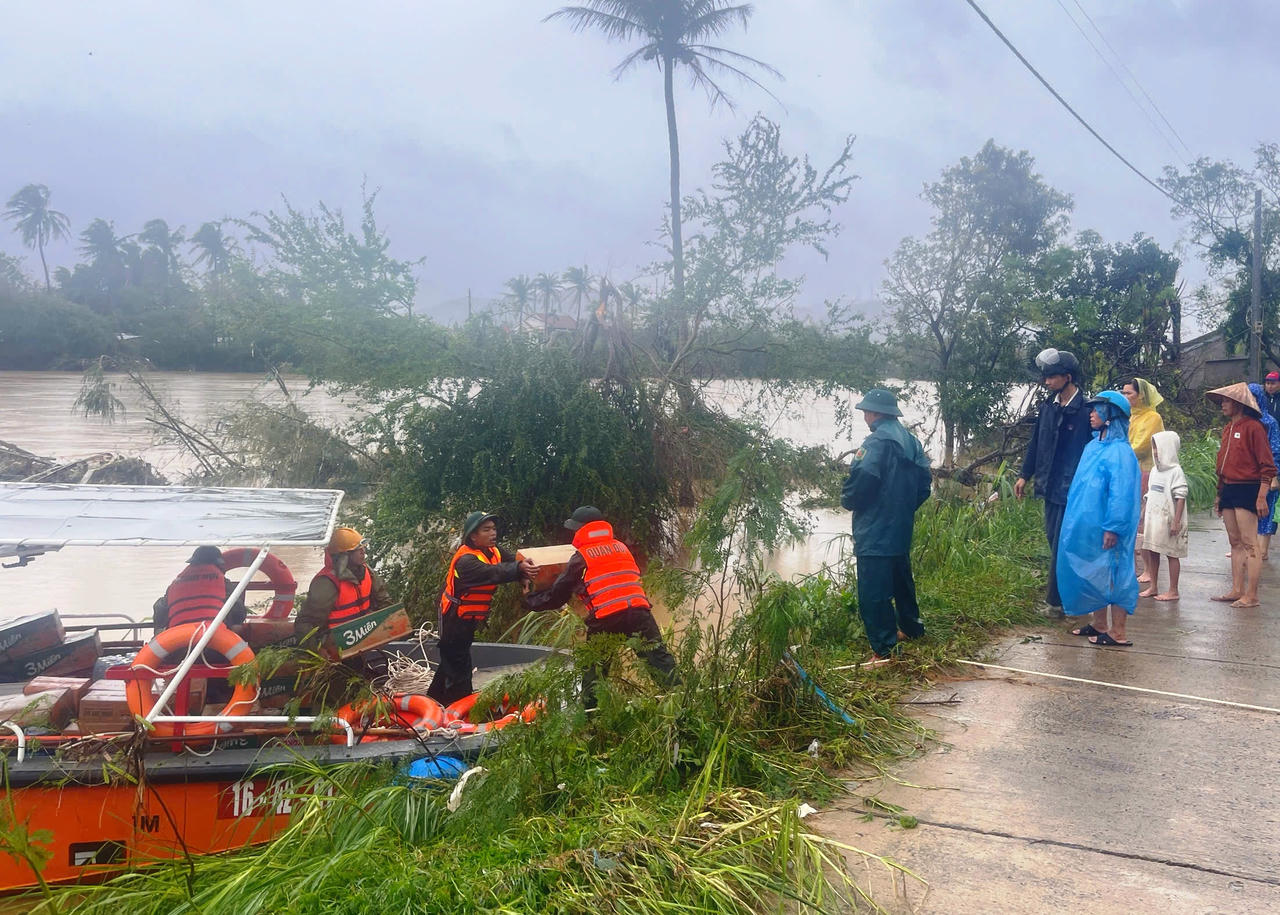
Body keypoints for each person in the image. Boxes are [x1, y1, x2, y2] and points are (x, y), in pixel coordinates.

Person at [524, 506, 678, 705]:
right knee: (660, 662)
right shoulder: (622, 548)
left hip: (607, 618)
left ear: (580, 530)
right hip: (640, 612)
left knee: (594, 674)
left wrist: (530, 599)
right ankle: (683, 704)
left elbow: (557, 596)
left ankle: (592, 723)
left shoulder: (581, 557)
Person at [839, 389, 932, 660]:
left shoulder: (875, 443)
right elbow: (924, 486)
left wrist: (848, 500)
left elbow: (861, 482)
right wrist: (902, 509)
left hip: (875, 529)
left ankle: (884, 650)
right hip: (900, 527)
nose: (865, 416)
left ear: (876, 413)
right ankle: (911, 628)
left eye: (866, 411)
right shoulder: (912, 442)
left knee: (874, 591)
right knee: (902, 580)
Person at [425, 512, 536, 706]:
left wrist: (523, 573)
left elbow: (512, 562)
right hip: (453, 616)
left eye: (494, 529)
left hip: (468, 617)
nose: (493, 533)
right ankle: (459, 704)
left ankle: (434, 699)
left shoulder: (493, 551)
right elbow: (492, 573)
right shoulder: (466, 561)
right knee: (458, 663)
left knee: (453, 659)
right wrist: (518, 569)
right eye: (486, 530)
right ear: (473, 536)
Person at [1059, 391, 1141, 647]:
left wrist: (1114, 526)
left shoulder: (1120, 453)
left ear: (1110, 414)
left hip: (1109, 525)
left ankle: (1118, 632)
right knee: (1096, 570)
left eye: (1097, 410)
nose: (1091, 414)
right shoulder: (1093, 446)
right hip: (1089, 524)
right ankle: (1099, 623)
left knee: (1115, 572)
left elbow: (1122, 493)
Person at [1014, 348, 1093, 615]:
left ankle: (1055, 603)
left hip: (1073, 489)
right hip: (1049, 487)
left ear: (1067, 377)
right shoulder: (1048, 407)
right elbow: (1036, 443)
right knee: (1053, 540)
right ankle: (1073, 592)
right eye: (1045, 377)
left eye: (1051, 377)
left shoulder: (1086, 412)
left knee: (1062, 544)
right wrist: (1025, 475)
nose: (1046, 382)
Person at [1207, 383, 1277, 608]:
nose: (1223, 405)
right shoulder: (1228, 428)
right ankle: (1237, 589)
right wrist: (1219, 494)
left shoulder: (1254, 427)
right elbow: (1222, 463)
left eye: (1226, 401)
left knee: (1249, 543)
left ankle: (1252, 595)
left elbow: (1267, 465)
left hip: (1248, 488)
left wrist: (1261, 495)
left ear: (1238, 403)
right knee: (1234, 541)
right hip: (1228, 487)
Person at [295, 526, 392, 652]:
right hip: (338, 645)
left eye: (363, 548)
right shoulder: (327, 582)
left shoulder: (367, 571)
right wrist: (317, 652)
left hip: (366, 635)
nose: (363, 552)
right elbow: (305, 623)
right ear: (344, 556)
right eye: (357, 549)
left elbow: (385, 603)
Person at [1122, 377, 1165, 583]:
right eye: (1123, 393)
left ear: (1141, 395)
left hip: (1146, 472)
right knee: (1129, 517)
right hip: (1128, 471)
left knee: (1144, 520)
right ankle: (1132, 564)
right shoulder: (1128, 416)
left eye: (1129, 393)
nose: (1126, 397)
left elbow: (1141, 446)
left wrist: (1119, 453)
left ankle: (1149, 569)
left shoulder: (1152, 417)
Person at [153, 545, 247, 633]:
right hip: (213, 636)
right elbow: (238, 609)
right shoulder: (223, 583)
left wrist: (159, 629)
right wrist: (236, 623)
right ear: (218, 564)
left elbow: (160, 607)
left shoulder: (176, 584)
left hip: (177, 636)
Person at [1139, 431, 1188, 601]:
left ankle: (1173, 590)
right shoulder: (1154, 471)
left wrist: (1176, 521)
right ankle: (1153, 586)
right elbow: (1150, 493)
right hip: (1154, 520)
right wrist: (1143, 512)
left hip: (1169, 521)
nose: (1155, 452)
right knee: (1152, 550)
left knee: (1172, 554)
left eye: (1158, 448)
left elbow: (1180, 496)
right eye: (1153, 448)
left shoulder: (1176, 471)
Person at [1248, 382, 1280, 561]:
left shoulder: (1269, 423)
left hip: (1265, 475)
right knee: (1248, 512)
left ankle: (1262, 550)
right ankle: (1249, 548)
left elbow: (1275, 450)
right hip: (1247, 476)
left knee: (1265, 512)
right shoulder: (1243, 422)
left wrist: (1274, 476)